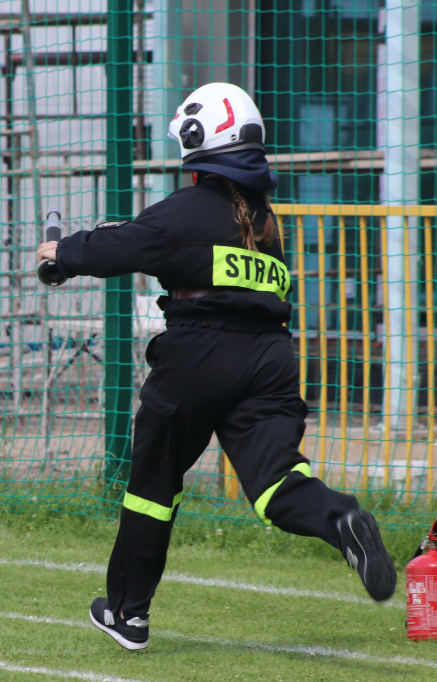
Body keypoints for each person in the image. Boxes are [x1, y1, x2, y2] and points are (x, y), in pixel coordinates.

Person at [35, 83, 396, 650]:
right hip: (273, 359)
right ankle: (339, 518)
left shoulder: (187, 209)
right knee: (277, 479)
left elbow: (124, 246)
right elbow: (158, 243)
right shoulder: (265, 222)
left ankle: (128, 613)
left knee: (152, 485)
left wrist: (63, 253)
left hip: (199, 354)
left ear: (199, 139)